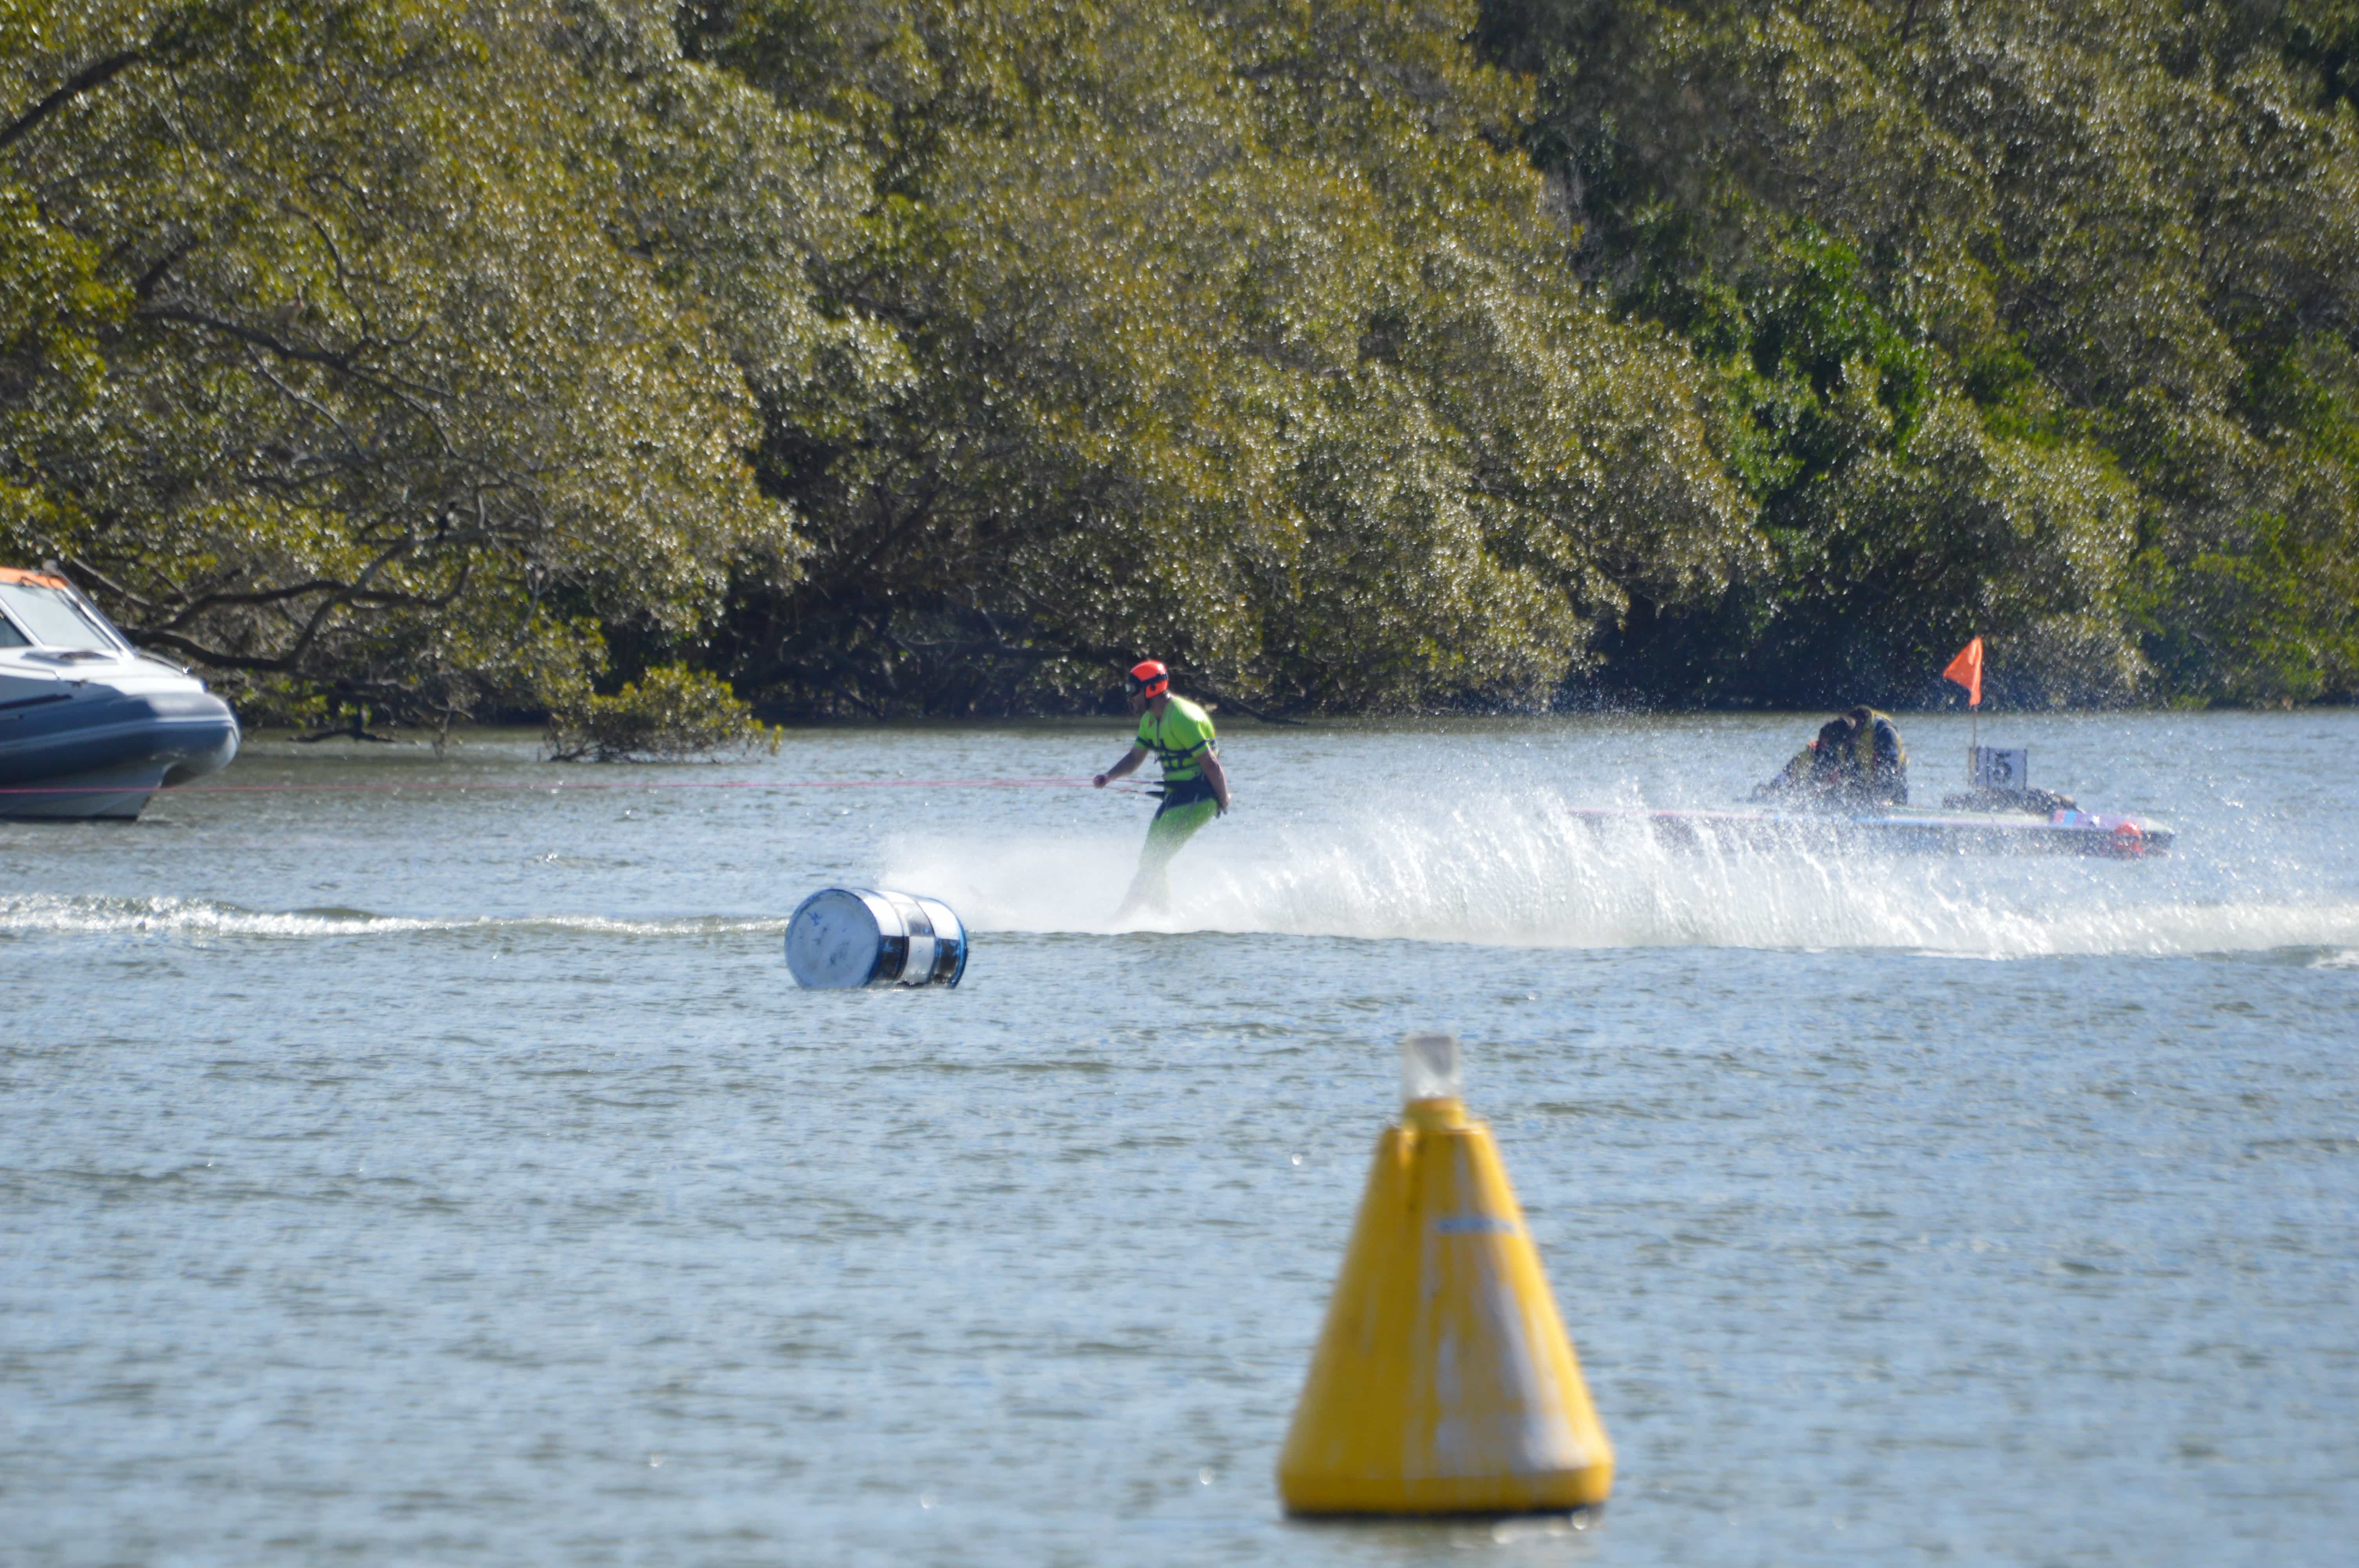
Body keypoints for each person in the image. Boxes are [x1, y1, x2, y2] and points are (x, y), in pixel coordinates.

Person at [1094, 659, 1231, 912]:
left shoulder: (1182, 718)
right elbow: (1135, 758)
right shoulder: (1149, 720)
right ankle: (1165, 918)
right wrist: (1109, 776)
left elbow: (1210, 764)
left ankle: (1121, 920)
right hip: (1176, 796)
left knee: (1153, 862)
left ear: (1151, 689)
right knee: (1150, 860)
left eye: (1132, 690)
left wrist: (1223, 800)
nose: (1130, 697)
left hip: (1199, 797)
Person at [1755, 706, 1909, 807]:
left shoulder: (1884, 731)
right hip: (1860, 792)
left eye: (1848, 742)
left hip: (1891, 793)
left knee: (1884, 788)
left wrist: (1882, 800)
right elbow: (1821, 771)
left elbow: (1892, 769)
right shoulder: (1837, 737)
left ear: (1856, 733)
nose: (1847, 745)